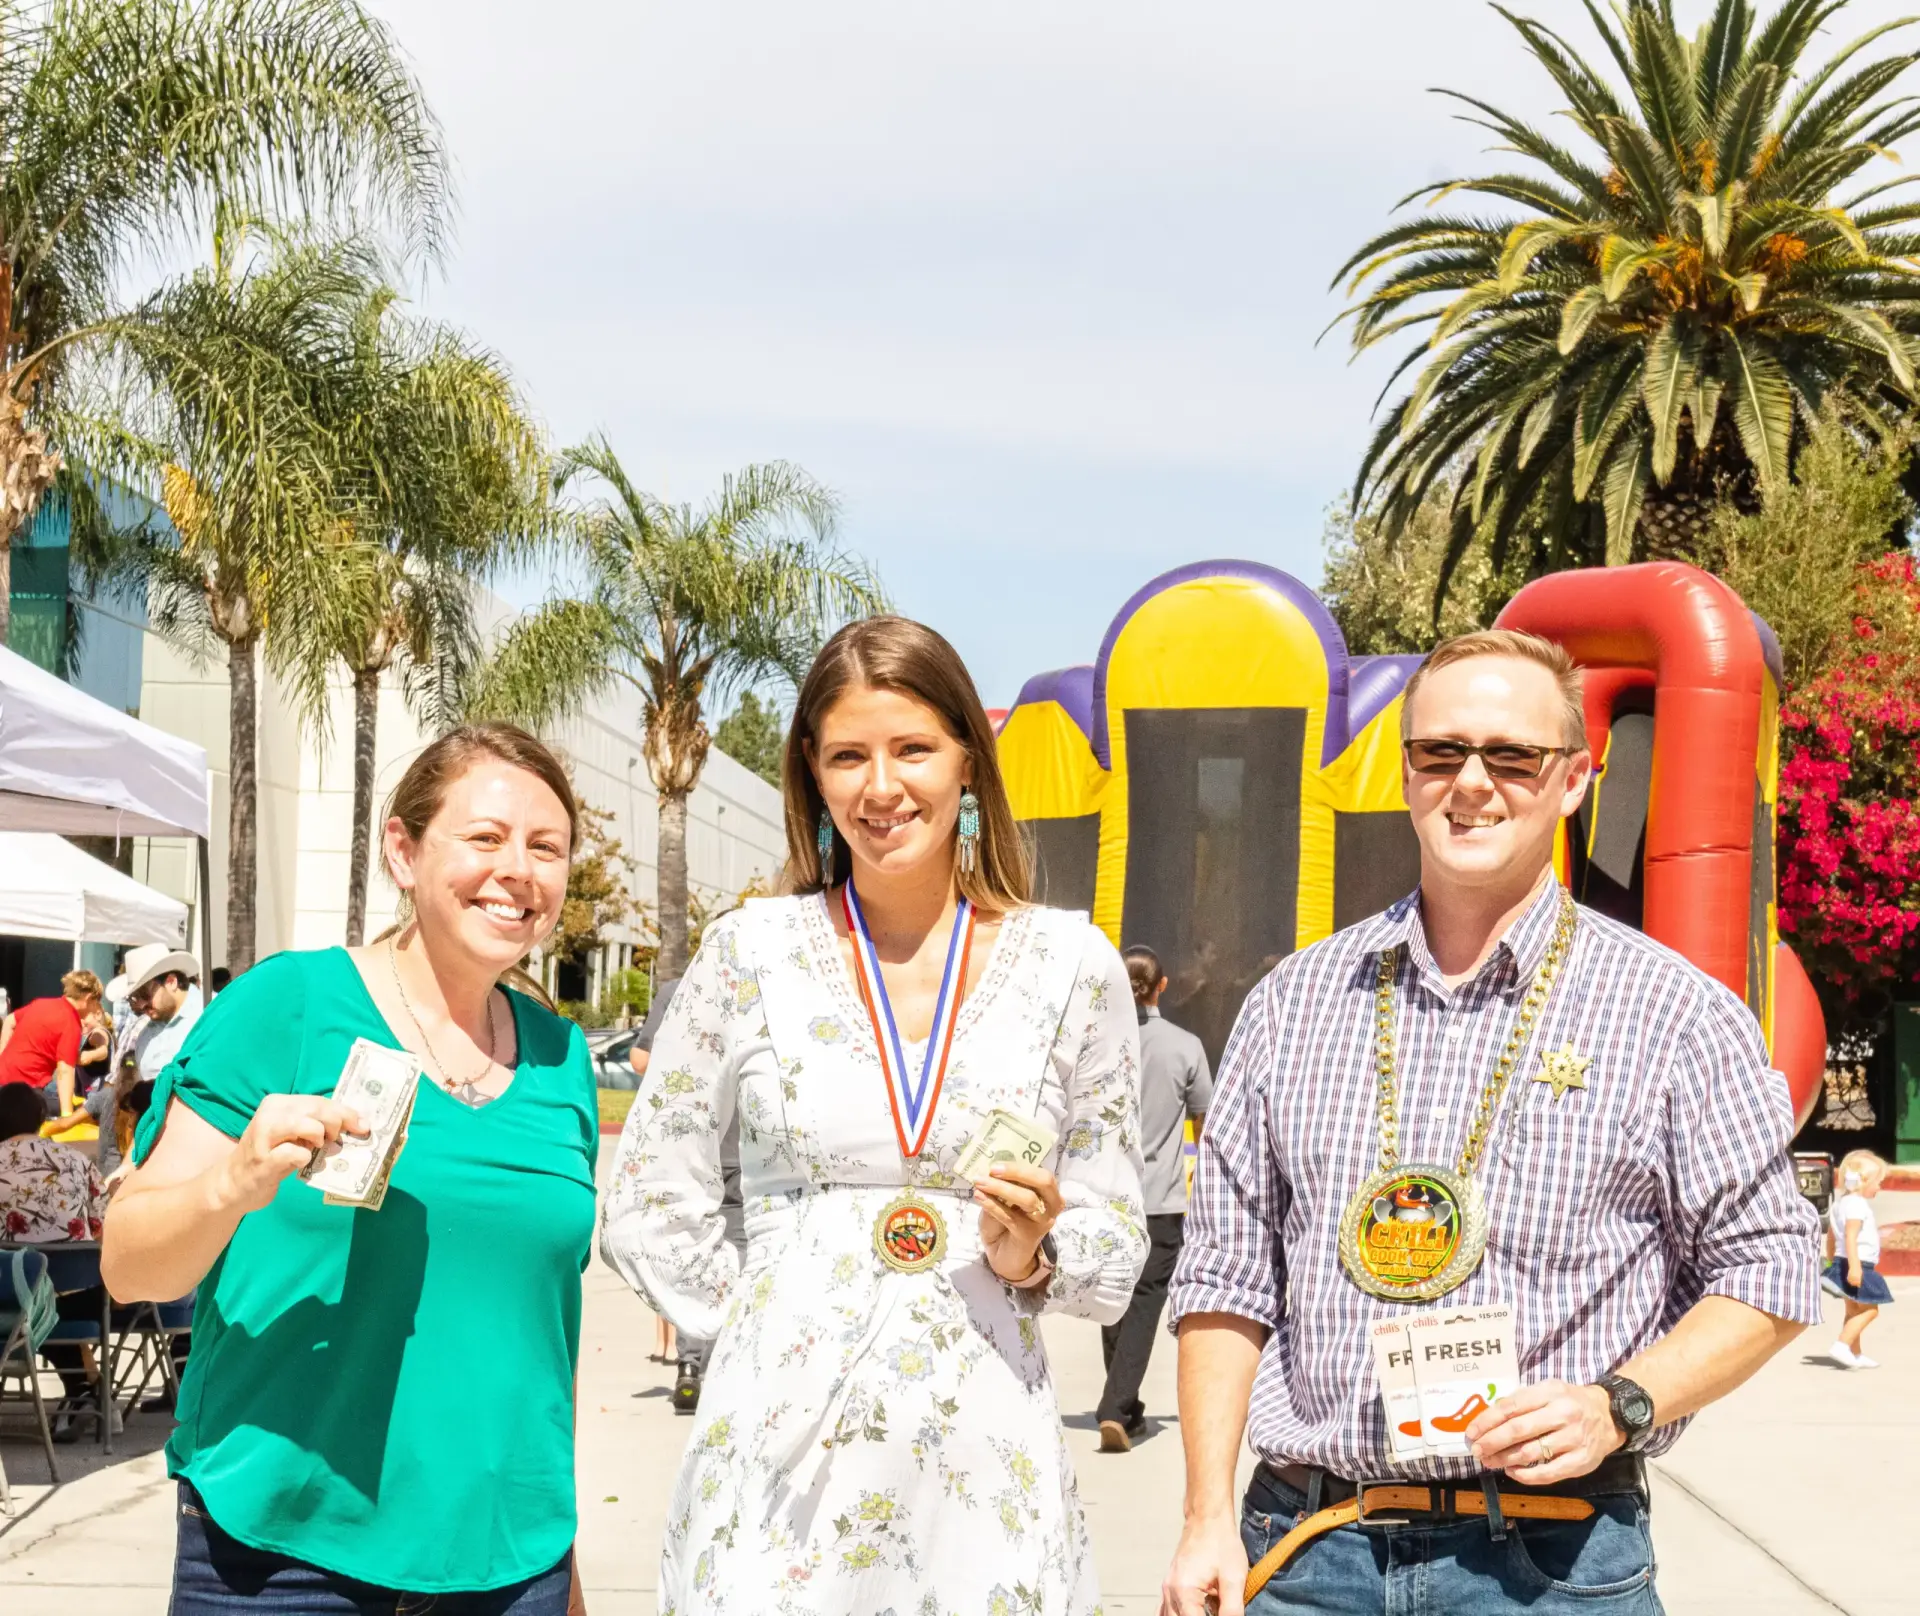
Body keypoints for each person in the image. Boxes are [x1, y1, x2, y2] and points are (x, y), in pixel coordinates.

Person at [1160, 628, 1822, 1616]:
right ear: (1407, 771)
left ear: (1572, 779)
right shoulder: (1293, 1001)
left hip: (1553, 1560)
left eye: (1512, 755)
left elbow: (1770, 1267)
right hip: (1306, 1547)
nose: (1473, 781)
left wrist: (1619, 1403)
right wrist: (1205, 1512)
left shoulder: (1674, 1011)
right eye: (1442, 751)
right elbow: (1226, 1271)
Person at [602, 615, 1148, 1615]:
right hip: (778, 1466)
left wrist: (1037, 1251)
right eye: (848, 754)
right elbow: (647, 1193)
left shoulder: (1073, 965)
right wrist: (772, 1312)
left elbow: (1116, 1236)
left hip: (982, 1462)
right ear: (812, 775)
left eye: (913, 749)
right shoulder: (748, 953)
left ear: (969, 767)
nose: (881, 785)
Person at [103, 723, 598, 1616]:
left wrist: (563, 1563)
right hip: (283, 1558)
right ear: (403, 852)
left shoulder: (562, 1062)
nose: (519, 869)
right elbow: (130, 1266)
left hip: (510, 1563)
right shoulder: (288, 1004)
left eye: (547, 847)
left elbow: (539, 1339)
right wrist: (232, 1184)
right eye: (485, 838)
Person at [1097, 943, 1211, 1454]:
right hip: (1161, 1199)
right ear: (1162, 986)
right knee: (1144, 1301)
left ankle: (1124, 1404)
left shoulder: (1096, 1042)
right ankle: (1117, 1406)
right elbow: (1205, 1126)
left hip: (1103, 1194)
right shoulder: (1186, 1046)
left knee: (1112, 1300)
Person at [0, 1081, 111, 1437]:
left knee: (29, 1292)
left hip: (11, 1299)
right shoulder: (78, 1162)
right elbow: (104, 1228)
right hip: (81, 1294)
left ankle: (85, 1388)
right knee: (47, 1292)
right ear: (41, 1119)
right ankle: (85, 1387)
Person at [0, 969, 104, 1118]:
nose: (96, 1008)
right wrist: (67, 1116)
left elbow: (10, 1020)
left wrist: (2, 1055)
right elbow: (65, 1071)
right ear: (88, 998)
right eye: (96, 1002)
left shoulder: (41, 1003)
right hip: (25, 1091)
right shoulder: (71, 1022)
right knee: (84, 1109)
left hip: (3, 1081)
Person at [1823, 1149, 1892, 1370]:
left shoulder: (1841, 1203)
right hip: (1858, 1264)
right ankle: (1842, 1345)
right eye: (1878, 1182)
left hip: (1843, 1262)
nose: (1880, 1187)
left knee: (1853, 1311)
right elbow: (1851, 1236)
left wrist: (1833, 1261)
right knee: (1871, 1309)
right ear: (1863, 1181)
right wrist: (1854, 1267)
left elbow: (1833, 1236)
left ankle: (1855, 1352)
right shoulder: (1857, 1205)